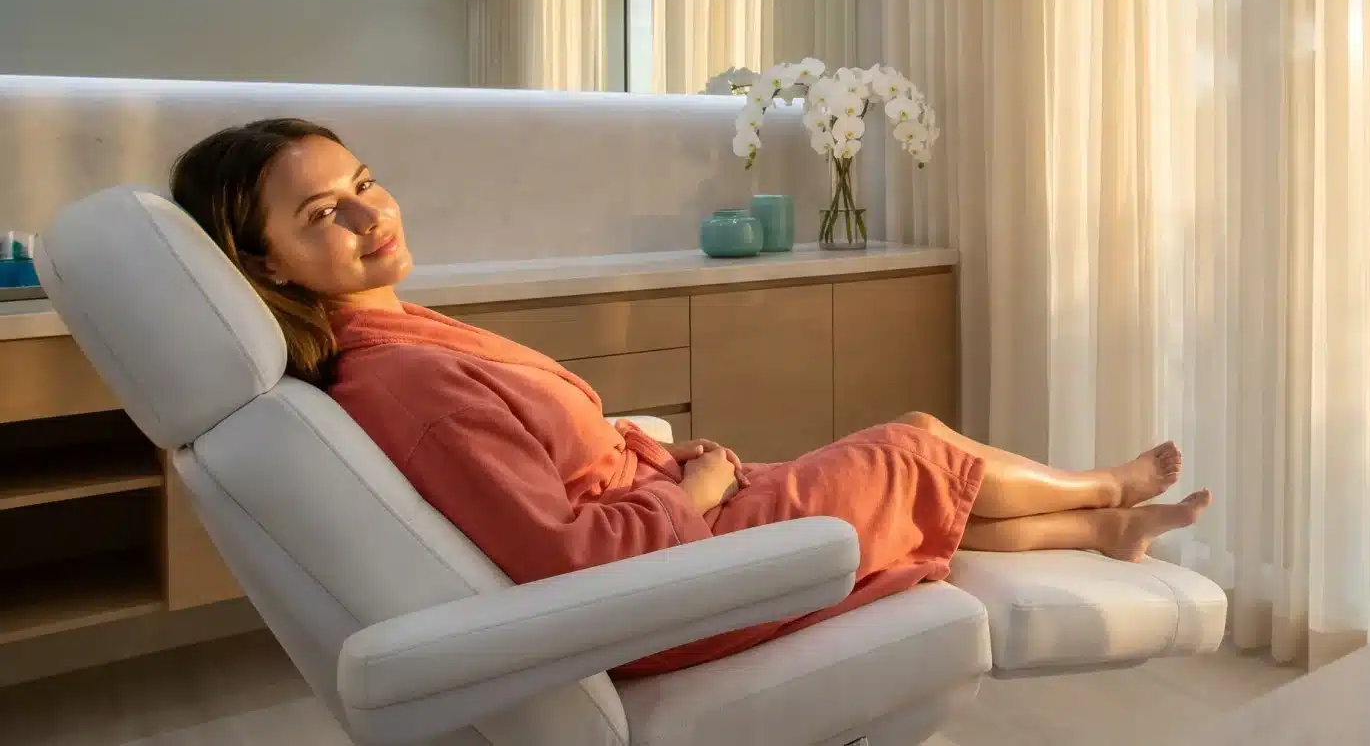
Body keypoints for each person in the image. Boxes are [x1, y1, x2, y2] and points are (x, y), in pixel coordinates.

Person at [168, 117, 1208, 674]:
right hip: (673, 589)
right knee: (915, 443)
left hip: (670, 528)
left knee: (911, 495)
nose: (366, 215)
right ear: (267, 266)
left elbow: (533, 483)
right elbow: (568, 560)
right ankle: (1100, 486)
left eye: (362, 181)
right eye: (321, 213)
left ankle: (1101, 531)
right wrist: (698, 492)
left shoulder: (392, 338)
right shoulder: (406, 383)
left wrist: (632, 451)